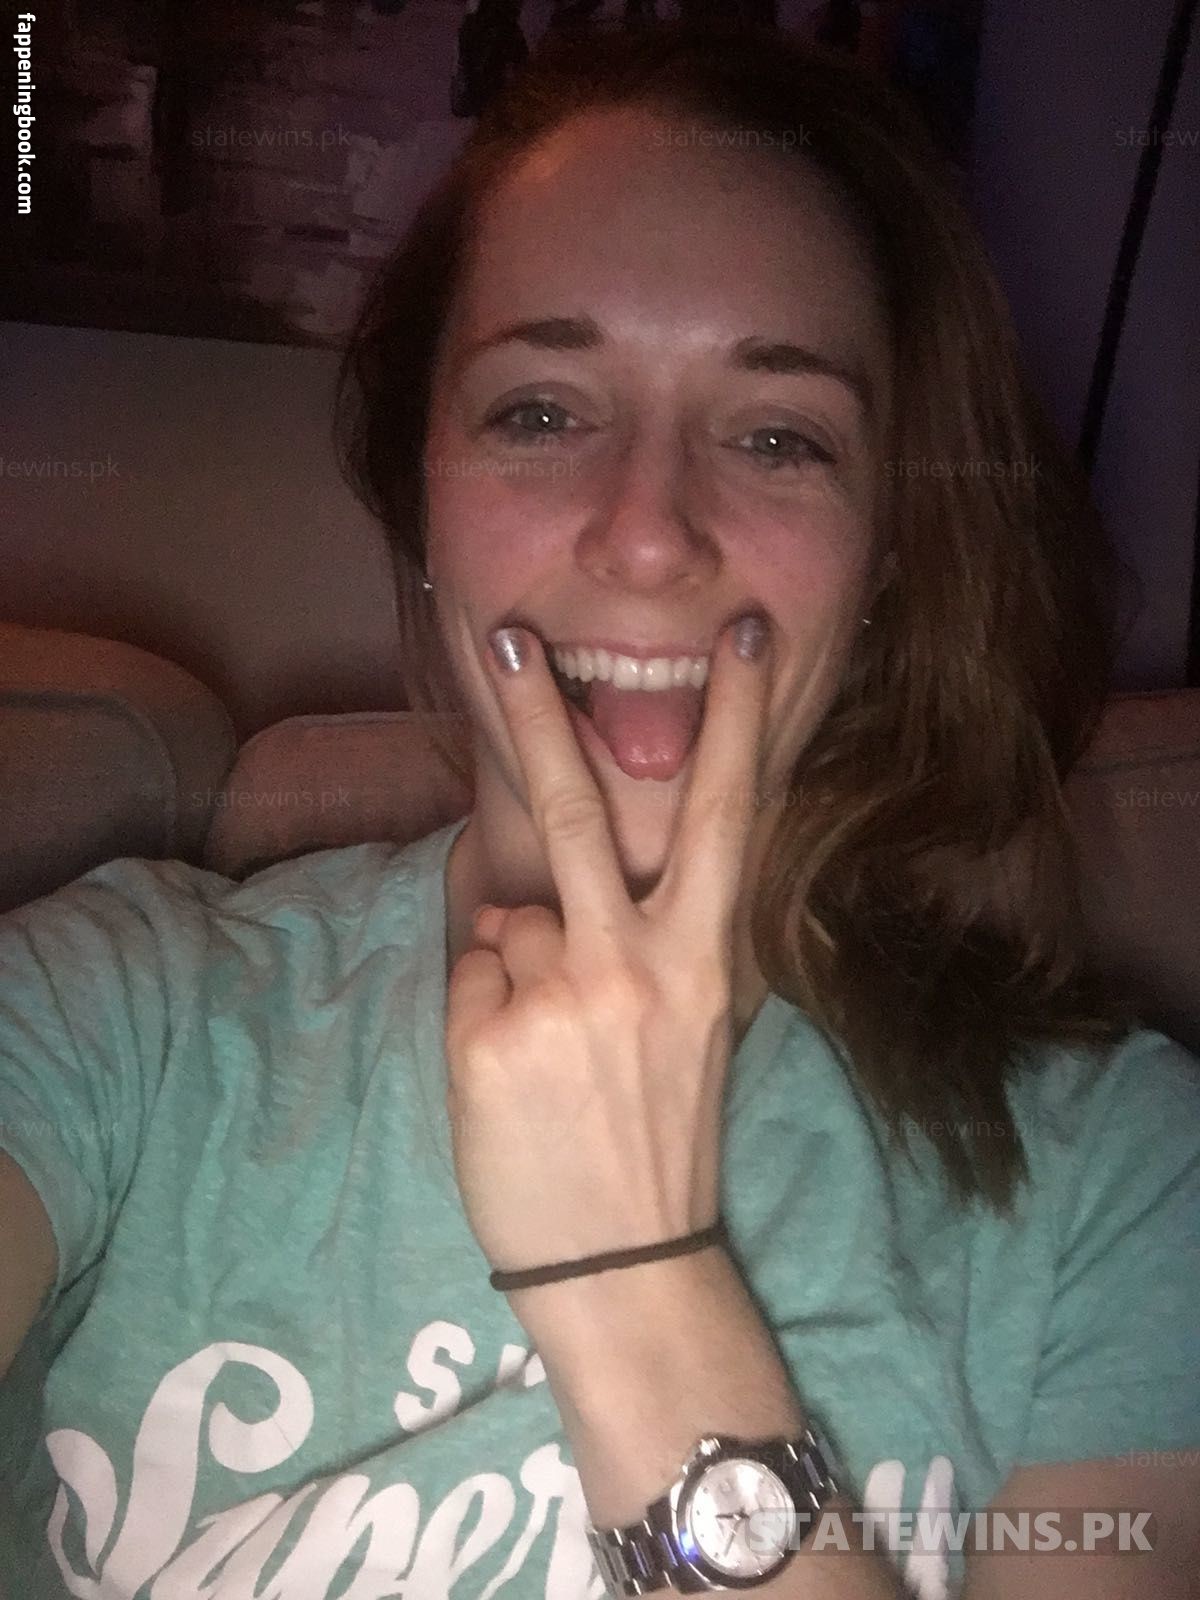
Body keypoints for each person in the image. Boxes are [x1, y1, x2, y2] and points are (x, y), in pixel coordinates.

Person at [1, 18, 1198, 1600]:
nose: (647, 535)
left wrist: (635, 1281)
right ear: (422, 490)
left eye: (777, 437)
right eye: (544, 413)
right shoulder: (106, 1018)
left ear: (887, 550)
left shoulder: (1122, 1182)